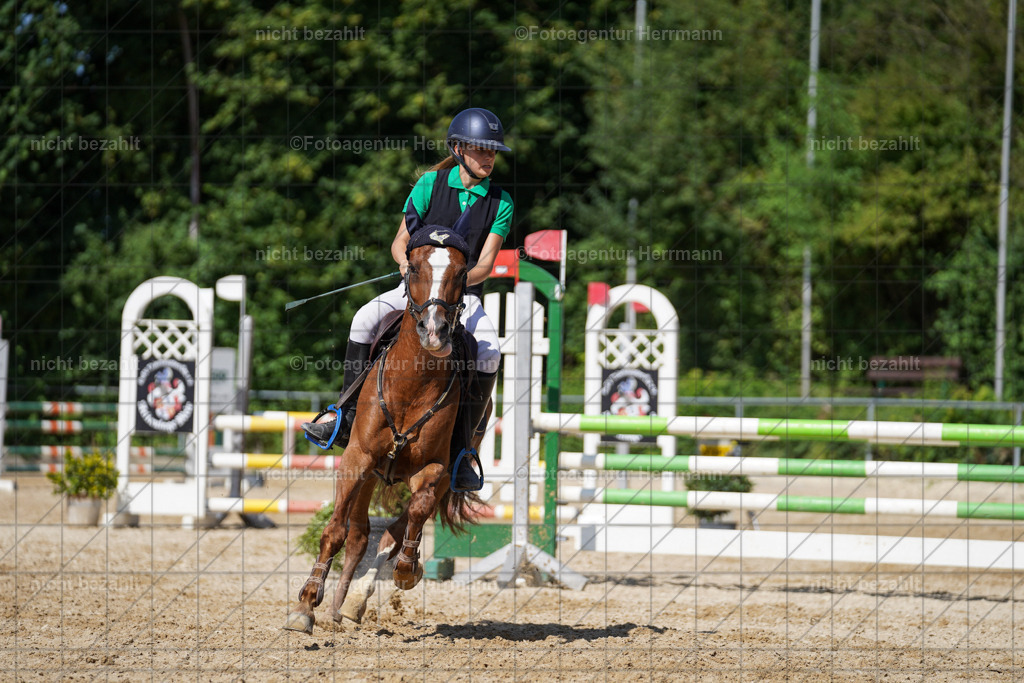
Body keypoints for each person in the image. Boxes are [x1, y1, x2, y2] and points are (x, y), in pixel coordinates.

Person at [303, 107, 513, 491]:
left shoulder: (501, 202)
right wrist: (405, 265)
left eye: (493, 152)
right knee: (364, 319)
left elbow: (485, 265)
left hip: (461, 295)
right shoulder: (429, 184)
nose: (489, 158)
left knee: (490, 353)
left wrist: (452, 281)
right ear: (459, 149)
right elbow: (400, 242)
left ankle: (464, 450)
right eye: (482, 150)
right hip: (414, 289)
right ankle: (344, 415)